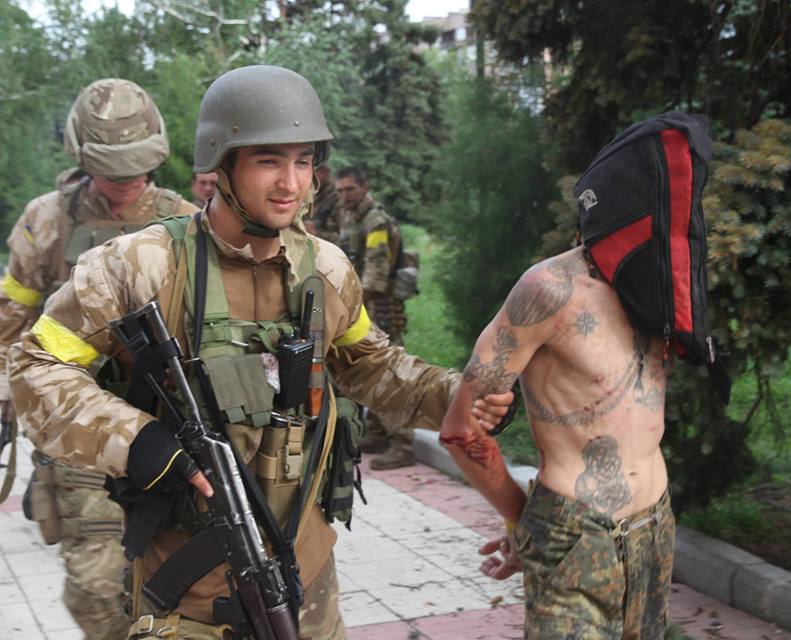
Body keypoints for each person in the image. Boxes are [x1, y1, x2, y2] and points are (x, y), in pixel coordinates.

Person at [9, 64, 511, 640]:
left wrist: (458, 396)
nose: (291, 184)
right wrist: (140, 440)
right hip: (186, 589)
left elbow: (372, 366)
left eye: (303, 161)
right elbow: (35, 368)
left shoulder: (324, 267)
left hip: (304, 574)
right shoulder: (139, 265)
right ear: (221, 164)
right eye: (269, 160)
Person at [0, 78, 196, 640]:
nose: (128, 184)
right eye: (114, 171)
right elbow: (13, 318)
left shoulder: (185, 222)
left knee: (184, 587)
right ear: (83, 157)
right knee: (94, 589)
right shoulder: (47, 220)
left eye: (138, 169)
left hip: (169, 433)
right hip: (81, 433)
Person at [439, 244, 675, 638]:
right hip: (575, 530)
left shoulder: (665, 281)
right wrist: (522, 520)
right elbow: (462, 430)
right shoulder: (549, 290)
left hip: (655, 525)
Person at [336, 166, 414, 469]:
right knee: (367, 369)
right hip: (362, 305)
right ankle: (379, 433)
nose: (344, 196)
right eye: (340, 191)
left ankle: (403, 444)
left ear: (364, 187)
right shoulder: (352, 217)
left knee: (387, 373)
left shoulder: (376, 221)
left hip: (379, 307)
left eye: (350, 190)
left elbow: (377, 272)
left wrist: (352, 305)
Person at [303, 163, 341, 244]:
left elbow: (343, 238)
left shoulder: (339, 198)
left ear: (326, 173)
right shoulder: (312, 195)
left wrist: (317, 234)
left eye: (314, 172)